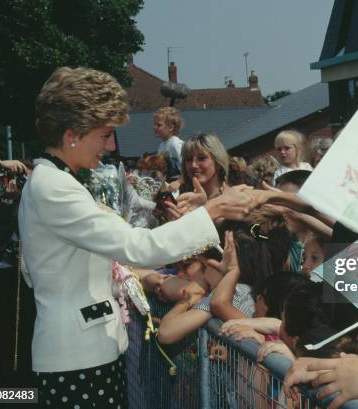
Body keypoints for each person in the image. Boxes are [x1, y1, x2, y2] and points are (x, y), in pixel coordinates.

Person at [20, 66, 254, 408]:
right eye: (105, 134)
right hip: (77, 358)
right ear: (72, 133)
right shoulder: (54, 186)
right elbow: (135, 245)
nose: (111, 145)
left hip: (84, 352)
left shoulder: (57, 180)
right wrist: (214, 211)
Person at [154, 106, 184, 183]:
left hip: (179, 184)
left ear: (170, 127)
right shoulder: (161, 146)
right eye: (154, 124)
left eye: (159, 125)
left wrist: (178, 182)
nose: (155, 127)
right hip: (168, 184)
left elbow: (186, 167)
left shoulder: (175, 143)